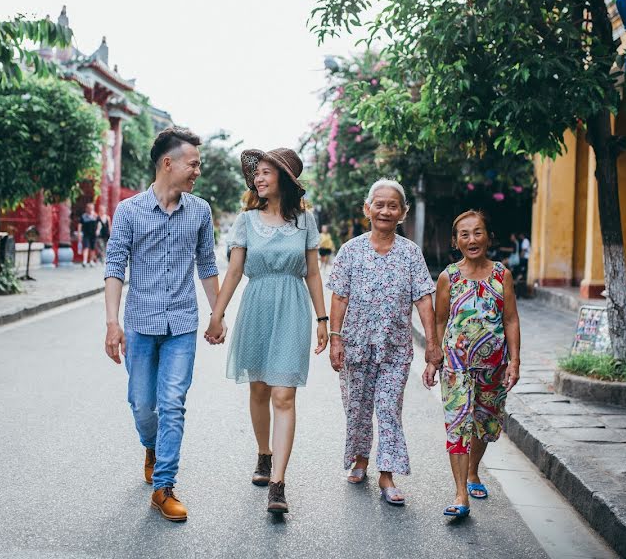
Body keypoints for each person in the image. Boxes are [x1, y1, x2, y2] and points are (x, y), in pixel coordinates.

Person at [104, 127, 226, 523]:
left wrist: (217, 313)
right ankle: (151, 447)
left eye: (199, 165)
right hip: (140, 323)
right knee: (142, 404)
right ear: (167, 163)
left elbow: (207, 264)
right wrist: (112, 322)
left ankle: (164, 486)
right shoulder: (129, 211)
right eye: (193, 164)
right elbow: (114, 267)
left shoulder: (200, 211)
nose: (197, 171)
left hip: (181, 325)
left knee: (172, 402)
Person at [205, 147, 328, 515]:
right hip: (256, 305)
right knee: (258, 388)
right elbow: (234, 272)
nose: (258, 178)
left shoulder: (305, 222)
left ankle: (278, 482)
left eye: (266, 173)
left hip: (292, 307)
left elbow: (313, 273)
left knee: (283, 396)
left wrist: (324, 321)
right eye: (256, 173)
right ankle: (263, 453)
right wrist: (217, 313)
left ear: (284, 180)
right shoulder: (245, 221)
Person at [327, 179, 441, 506]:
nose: (385, 211)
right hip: (356, 345)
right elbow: (339, 297)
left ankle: (387, 474)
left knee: (389, 407)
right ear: (368, 208)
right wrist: (336, 340)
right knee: (357, 407)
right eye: (379, 204)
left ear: (402, 213)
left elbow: (423, 301)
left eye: (393, 206)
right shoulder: (351, 250)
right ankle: (360, 459)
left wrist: (432, 346)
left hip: (395, 348)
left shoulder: (410, 254)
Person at [422, 210, 521, 519]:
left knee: (485, 424)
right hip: (456, 367)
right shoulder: (447, 277)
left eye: (477, 232)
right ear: (456, 241)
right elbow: (440, 321)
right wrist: (434, 357)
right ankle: (460, 494)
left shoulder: (501, 274)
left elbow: (511, 320)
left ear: (488, 237)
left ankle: (473, 471)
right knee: (458, 425)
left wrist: (514, 361)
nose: (471, 239)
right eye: (464, 234)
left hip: (493, 367)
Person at [77, 203, 103, 267]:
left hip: (94, 235)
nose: (90, 210)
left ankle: (91, 261)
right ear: (87, 209)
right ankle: (84, 261)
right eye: (89, 208)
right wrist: (79, 233)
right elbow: (80, 225)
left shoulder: (96, 216)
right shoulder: (83, 216)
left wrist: (98, 230)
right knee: (86, 247)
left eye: (92, 208)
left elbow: (99, 224)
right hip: (86, 234)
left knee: (92, 248)